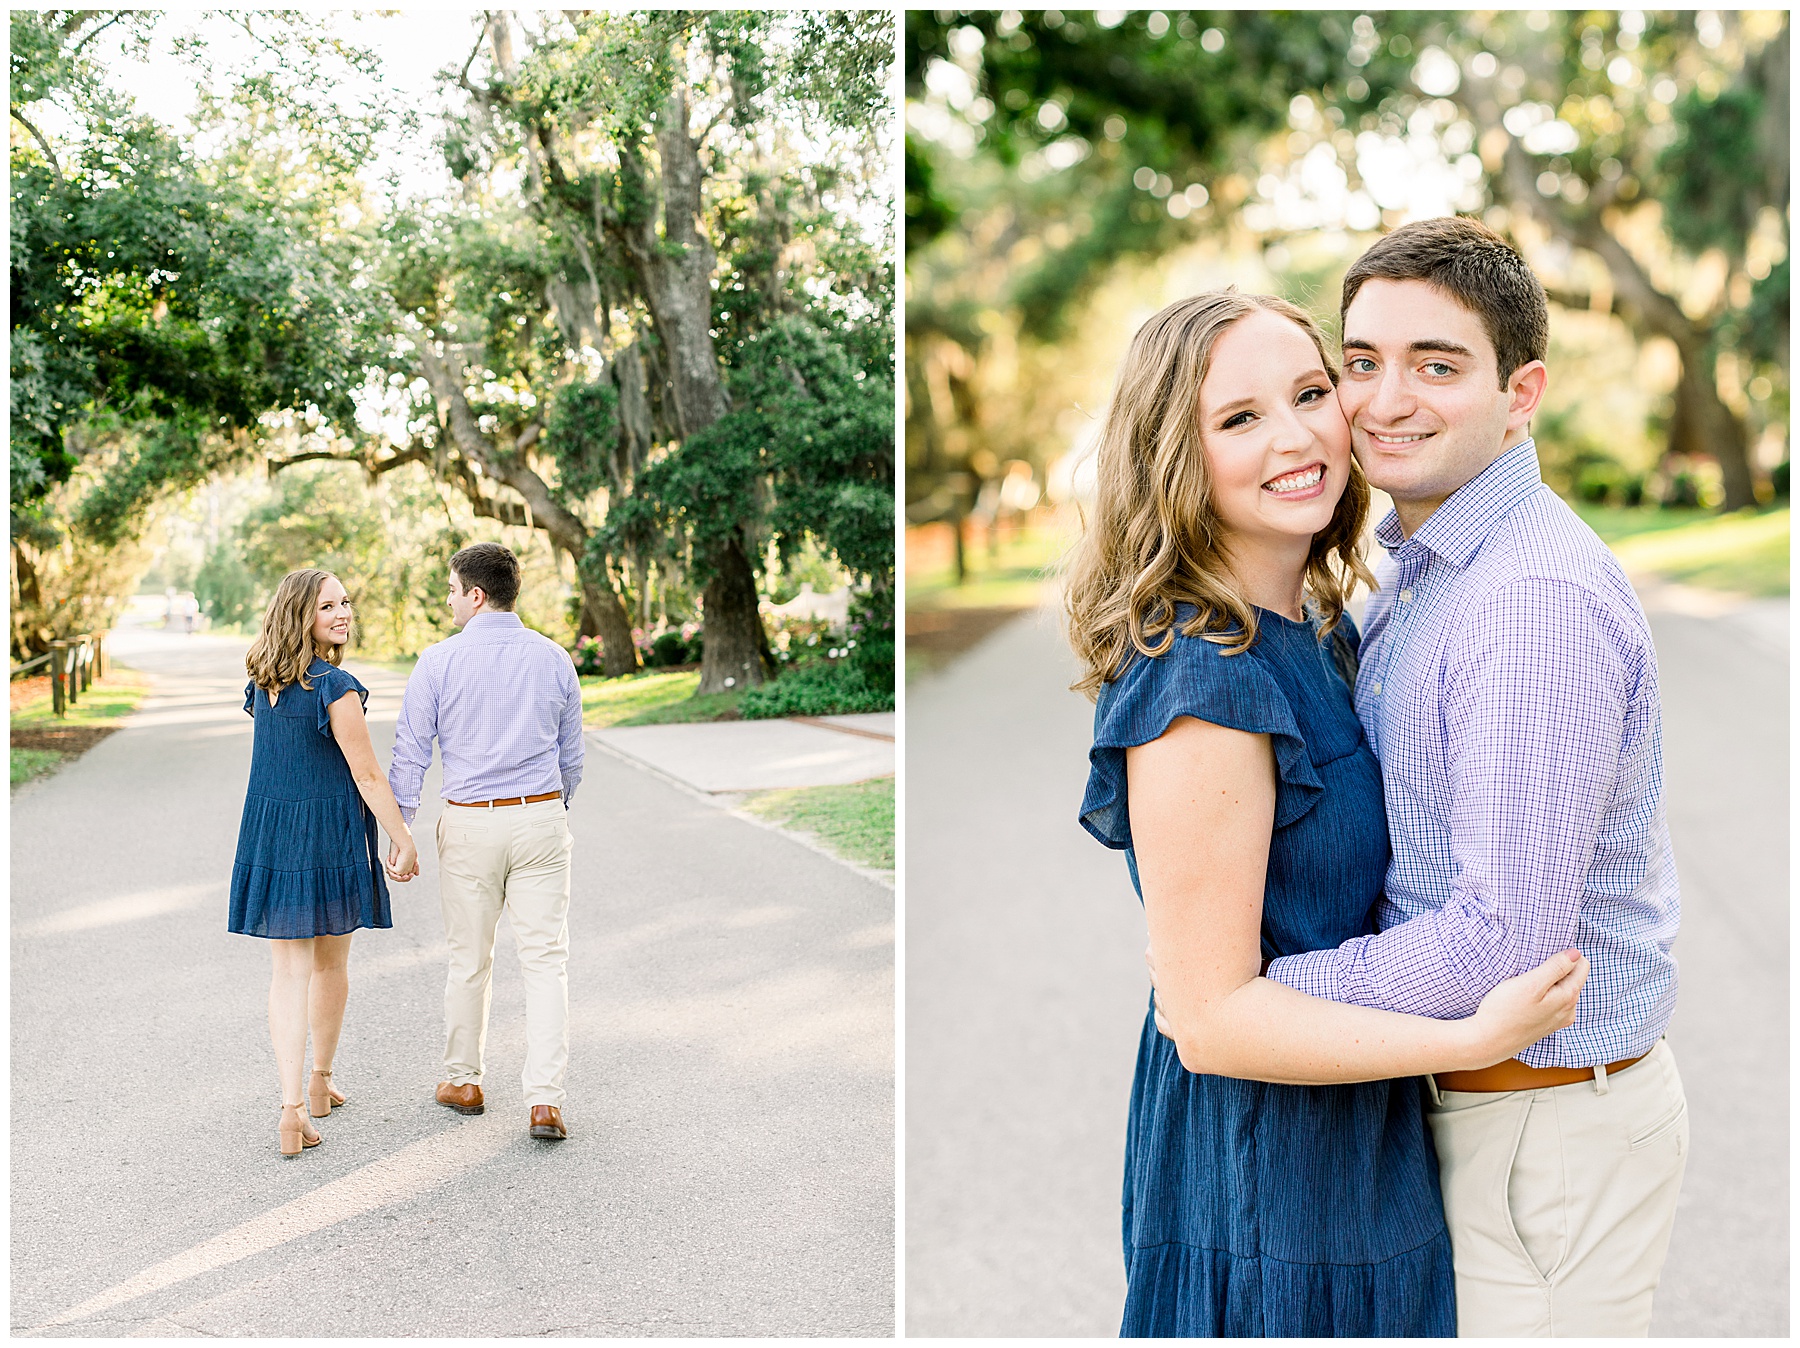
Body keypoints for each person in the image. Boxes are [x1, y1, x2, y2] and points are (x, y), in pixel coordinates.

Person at [1065, 290, 1589, 1337]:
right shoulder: (1203, 684)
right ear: (1175, 454)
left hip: (1360, 1141)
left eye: (1310, 392)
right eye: (1240, 418)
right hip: (1269, 1178)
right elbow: (1211, 1019)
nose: (1299, 434)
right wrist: (1469, 1029)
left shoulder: (1317, 630)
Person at [1260, 216, 1686, 1337]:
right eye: (1360, 362)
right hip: (1469, 1115)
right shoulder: (1429, 569)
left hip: (1544, 1138)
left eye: (1435, 365)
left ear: (1521, 390)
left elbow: (1505, 940)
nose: (1383, 399)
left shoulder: (1528, 600)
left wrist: (1265, 997)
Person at [388, 543, 585, 1141]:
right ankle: (545, 1100)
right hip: (540, 820)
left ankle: (464, 1080)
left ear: (476, 595)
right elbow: (571, 757)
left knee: (469, 959)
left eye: (451, 591)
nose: (448, 601)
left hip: (471, 822)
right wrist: (550, 808)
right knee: (545, 962)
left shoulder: (439, 662)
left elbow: (410, 756)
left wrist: (401, 834)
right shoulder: (555, 659)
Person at [230, 569, 419, 1157]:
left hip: (273, 836)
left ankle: (303, 1098)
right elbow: (366, 774)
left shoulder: (263, 684)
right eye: (328, 606)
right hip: (329, 837)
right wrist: (402, 837)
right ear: (300, 615)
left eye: (345, 602)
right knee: (330, 964)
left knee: (289, 972)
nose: (343, 613)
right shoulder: (336, 688)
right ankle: (312, 1087)